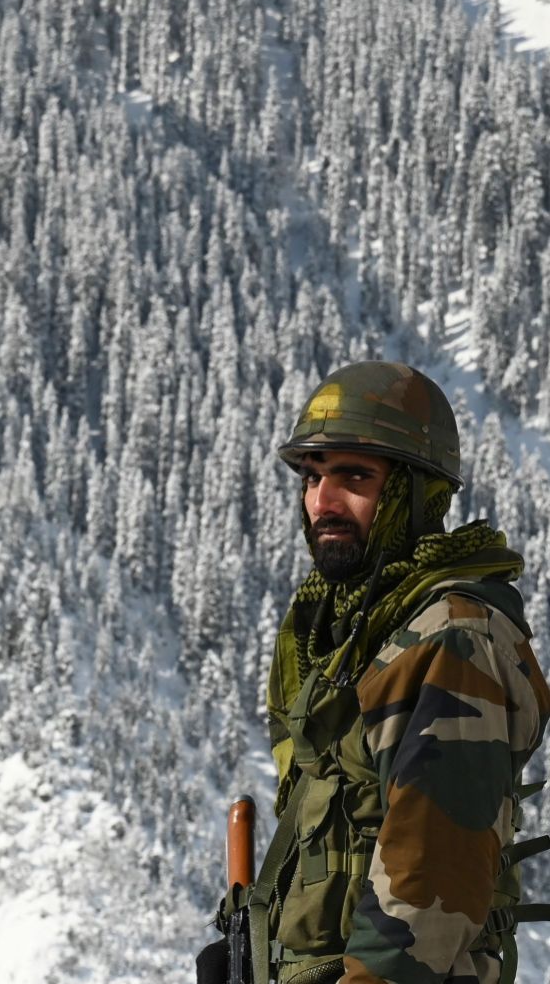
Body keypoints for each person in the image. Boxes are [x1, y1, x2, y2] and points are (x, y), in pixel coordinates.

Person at [245, 361, 550, 984]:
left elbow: (427, 894)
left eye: (353, 477)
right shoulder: (346, 634)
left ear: (416, 492)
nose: (321, 501)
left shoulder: (452, 640)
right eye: (312, 476)